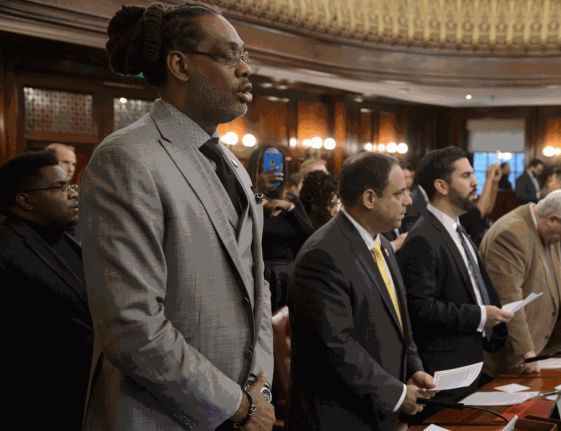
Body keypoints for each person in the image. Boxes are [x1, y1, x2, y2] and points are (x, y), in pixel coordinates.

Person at [80, 4, 274, 429]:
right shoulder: (127, 157)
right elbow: (132, 327)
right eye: (229, 56)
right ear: (180, 65)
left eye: (246, 56)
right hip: (160, 415)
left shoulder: (234, 164)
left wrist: (260, 388)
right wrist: (236, 406)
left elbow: (257, 288)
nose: (246, 70)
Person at [288, 152, 435, 430]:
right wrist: (397, 393)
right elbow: (335, 347)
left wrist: (413, 368)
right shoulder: (323, 254)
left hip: (374, 409)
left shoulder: (382, 243)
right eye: (399, 193)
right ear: (369, 199)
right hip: (339, 417)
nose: (409, 200)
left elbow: (399, 321)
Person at [397, 147, 512, 410]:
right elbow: (420, 308)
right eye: (466, 175)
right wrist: (481, 316)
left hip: (471, 362)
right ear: (442, 186)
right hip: (443, 373)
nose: (475, 182)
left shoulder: (457, 228)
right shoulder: (423, 237)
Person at [0, 151, 91, 429]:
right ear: (25, 201)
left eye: (71, 185)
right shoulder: (7, 249)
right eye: (60, 187)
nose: (73, 194)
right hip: (38, 406)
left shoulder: (67, 235)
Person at [480, 189, 561, 375]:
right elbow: (509, 301)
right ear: (552, 219)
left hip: (539, 346)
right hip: (513, 355)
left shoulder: (546, 231)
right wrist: (527, 353)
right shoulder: (510, 234)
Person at [249, 144, 315, 310]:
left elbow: (310, 238)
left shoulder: (291, 200)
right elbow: (252, 219)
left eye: (277, 163)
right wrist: (258, 189)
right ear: (257, 166)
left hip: (289, 276)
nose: (274, 167)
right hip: (260, 275)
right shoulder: (249, 196)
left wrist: (291, 209)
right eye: (267, 162)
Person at [459, 162, 501, 246]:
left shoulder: (469, 203)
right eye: (466, 175)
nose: (474, 181)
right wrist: (489, 179)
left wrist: (495, 182)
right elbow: (479, 212)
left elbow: (488, 209)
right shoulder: (460, 210)